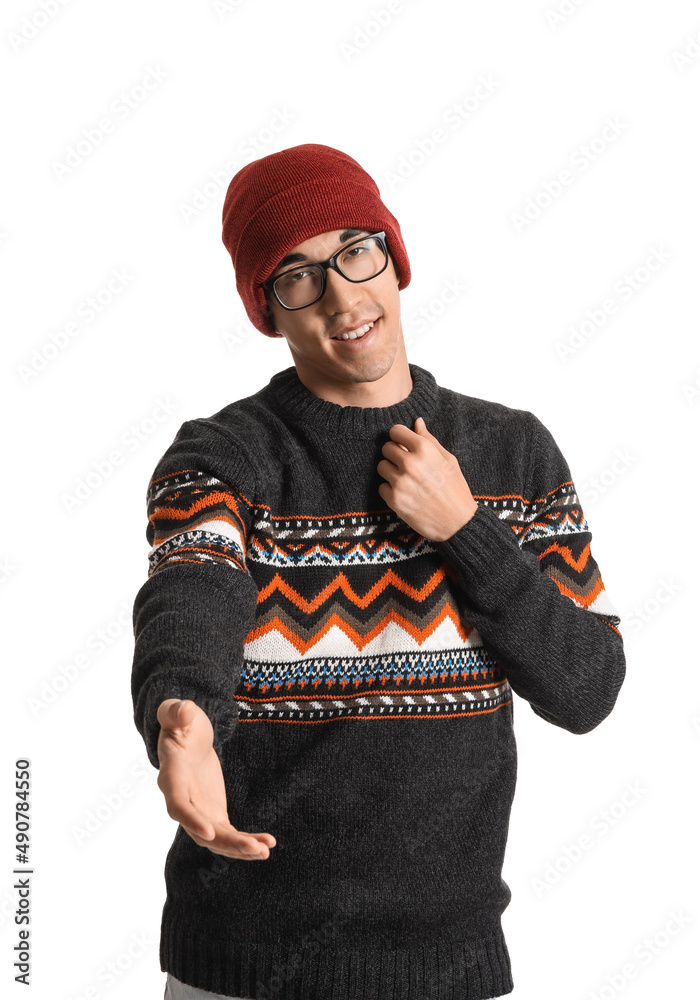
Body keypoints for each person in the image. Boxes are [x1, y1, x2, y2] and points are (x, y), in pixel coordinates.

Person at [131, 143, 626, 1000]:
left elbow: (586, 688)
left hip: (445, 969)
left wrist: (465, 527)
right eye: (296, 275)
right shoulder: (225, 454)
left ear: (394, 257)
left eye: (355, 251)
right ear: (265, 308)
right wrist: (184, 717)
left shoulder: (510, 450)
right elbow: (192, 590)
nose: (341, 296)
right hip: (243, 969)